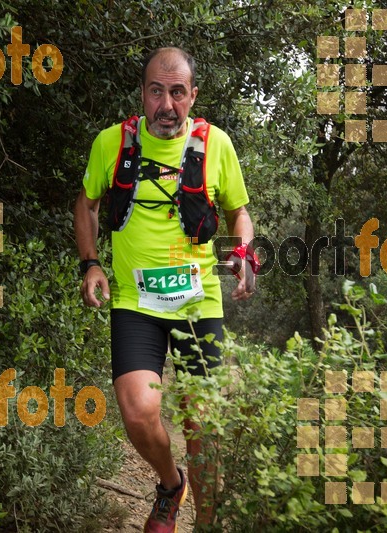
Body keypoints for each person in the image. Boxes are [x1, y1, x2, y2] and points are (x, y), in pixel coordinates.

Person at [74, 47, 254, 532]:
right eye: (157, 91)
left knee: (203, 427)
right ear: (143, 94)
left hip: (198, 305)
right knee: (138, 410)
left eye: (178, 92)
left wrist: (241, 253)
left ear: (193, 96)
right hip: (136, 303)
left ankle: (208, 522)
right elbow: (87, 205)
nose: (167, 104)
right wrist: (91, 264)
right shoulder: (112, 144)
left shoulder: (216, 144)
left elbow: (239, 213)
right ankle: (171, 484)